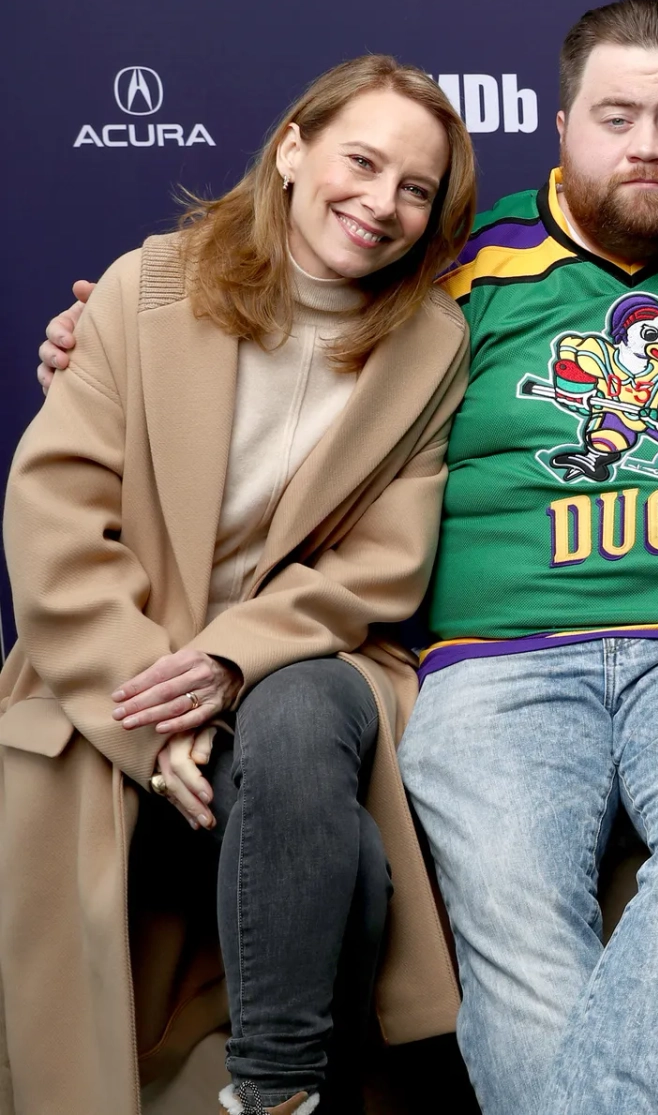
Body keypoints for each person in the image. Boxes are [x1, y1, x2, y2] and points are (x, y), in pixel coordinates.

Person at [35, 0, 658, 1114]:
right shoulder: (453, 275)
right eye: (618, 115)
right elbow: (276, 308)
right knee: (514, 908)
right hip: (500, 663)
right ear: (563, 123)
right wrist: (105, 338)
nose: (648, 146)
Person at [1, 55, 474, 1115]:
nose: (382, 203)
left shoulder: (432, 340)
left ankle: (269, 1098)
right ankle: (291, 1094)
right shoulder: (147, 286)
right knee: (346, 857)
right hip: (113, 675)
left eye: (416, 189)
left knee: (302, 706)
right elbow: (58, 520)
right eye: (363, 161)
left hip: (308, 655)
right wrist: (155, 703)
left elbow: (381, 562)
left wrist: (227, 658)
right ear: (293, 150)